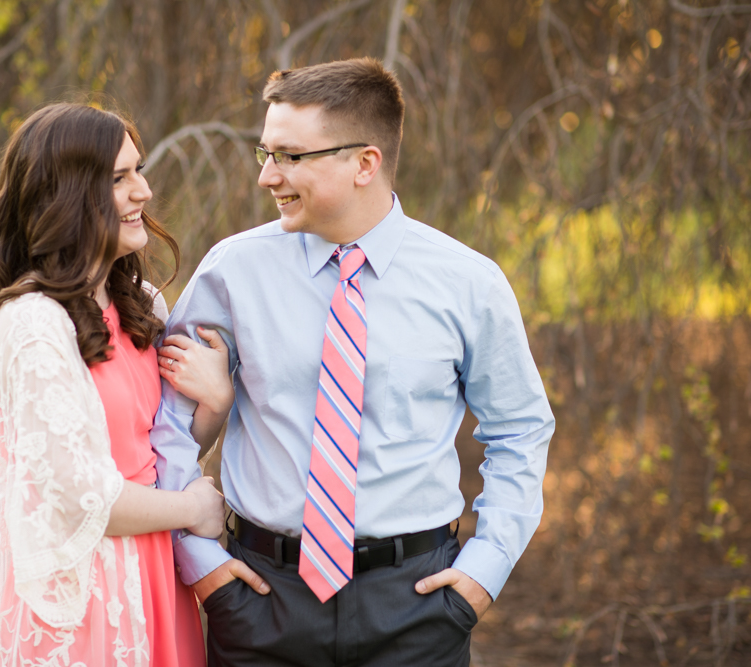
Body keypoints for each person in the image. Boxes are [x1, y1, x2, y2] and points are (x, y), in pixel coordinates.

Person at [150, 58, 555, 666]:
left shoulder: (469, 283)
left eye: (289, 156)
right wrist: (203, 566)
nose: (266, 177)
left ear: (365, 163)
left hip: (417, 606)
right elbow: (168, 422)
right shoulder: (232, 272)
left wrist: (483, 571)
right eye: (264, 153)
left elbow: (520, 428)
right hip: (260, 601)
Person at [0, 102, 234, 667]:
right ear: (66, 195)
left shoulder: (140, 303)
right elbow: (79, 497)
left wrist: (216, 402)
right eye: (119, 178)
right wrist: (191, 510)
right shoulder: (34, 322)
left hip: (156, 573)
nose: (144, 192)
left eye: (139, 170)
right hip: (87, 594)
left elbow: (164, 445)